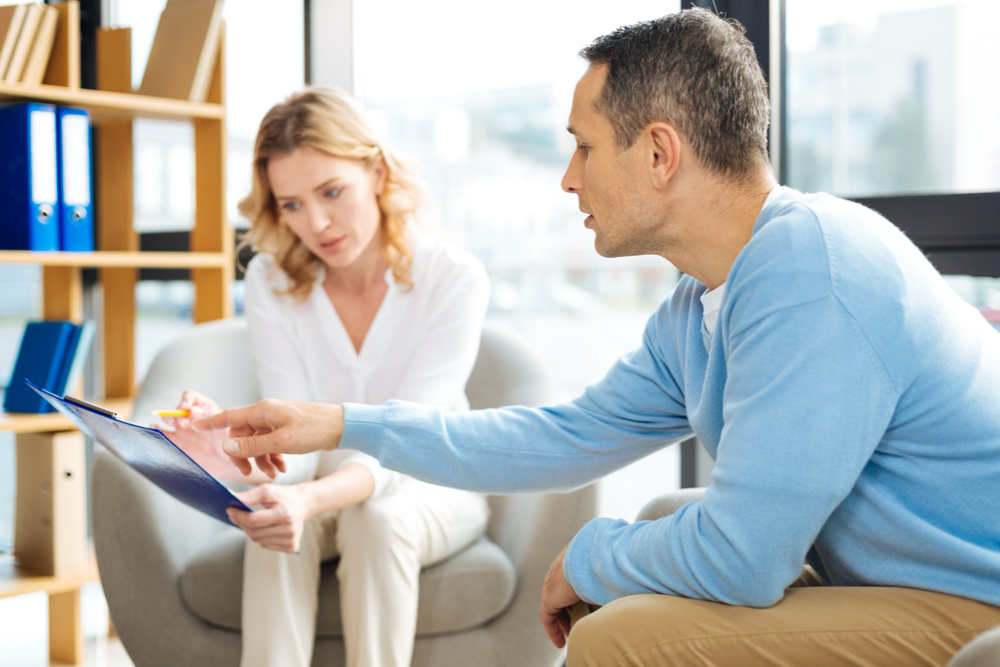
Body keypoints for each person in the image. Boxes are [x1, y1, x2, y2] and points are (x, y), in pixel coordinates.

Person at [195, 9, 1000, 666]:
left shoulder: (811, 269)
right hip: (900, 577)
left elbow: (745, 558)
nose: (568, 177)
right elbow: (561, 435)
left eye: (583, 146)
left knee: (620, 632)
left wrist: (589, 556)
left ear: (657, 153)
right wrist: (339, 423)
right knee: (651, 522)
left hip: (976, 601)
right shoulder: (701, 305)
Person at [162, 86, 491, 667]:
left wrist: (307, 499)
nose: (315, 223)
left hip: (431, 484)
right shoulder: (269, 279)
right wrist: (239, 443)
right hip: (322, 484)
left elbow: (409, 441)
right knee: (273, 515)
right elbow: (297, 433)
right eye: (290, 204)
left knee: (378, 519)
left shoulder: (454, 278)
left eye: (331, 192)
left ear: (377, 171)